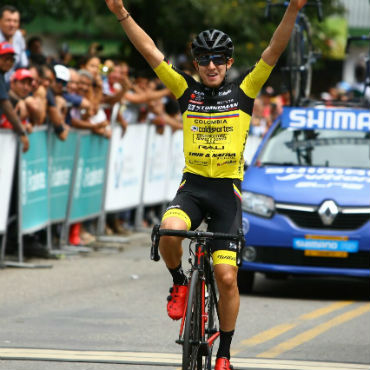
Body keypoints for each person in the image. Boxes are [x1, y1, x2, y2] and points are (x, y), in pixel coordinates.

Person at [105, 1, 308, 369]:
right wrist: (122, 13)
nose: (211, 65)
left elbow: (273, 50)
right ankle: (179, 281)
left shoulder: (244, 92)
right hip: (193, 188)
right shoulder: (186, 92)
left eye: (218, 59)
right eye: (203, 59)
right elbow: (150, 52)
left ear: (228, 63)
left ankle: (225, 351)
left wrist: (293, 9)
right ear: (195, 64)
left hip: (226, 194)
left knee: (226, 277)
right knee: (168, 230)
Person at [0, 41, 29, 151]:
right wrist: (21, 132)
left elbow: (7, 94)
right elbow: (5, 105)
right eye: (5, 59)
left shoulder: (2, 76)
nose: (8, 62)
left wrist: (20, 101)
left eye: (11, 59)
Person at [0, 5, 28, 82]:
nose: (12, 25)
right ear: (0, 21)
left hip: (13, 84)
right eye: (8, 20)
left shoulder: (18, 36)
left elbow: (23, 64)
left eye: (15, 21)